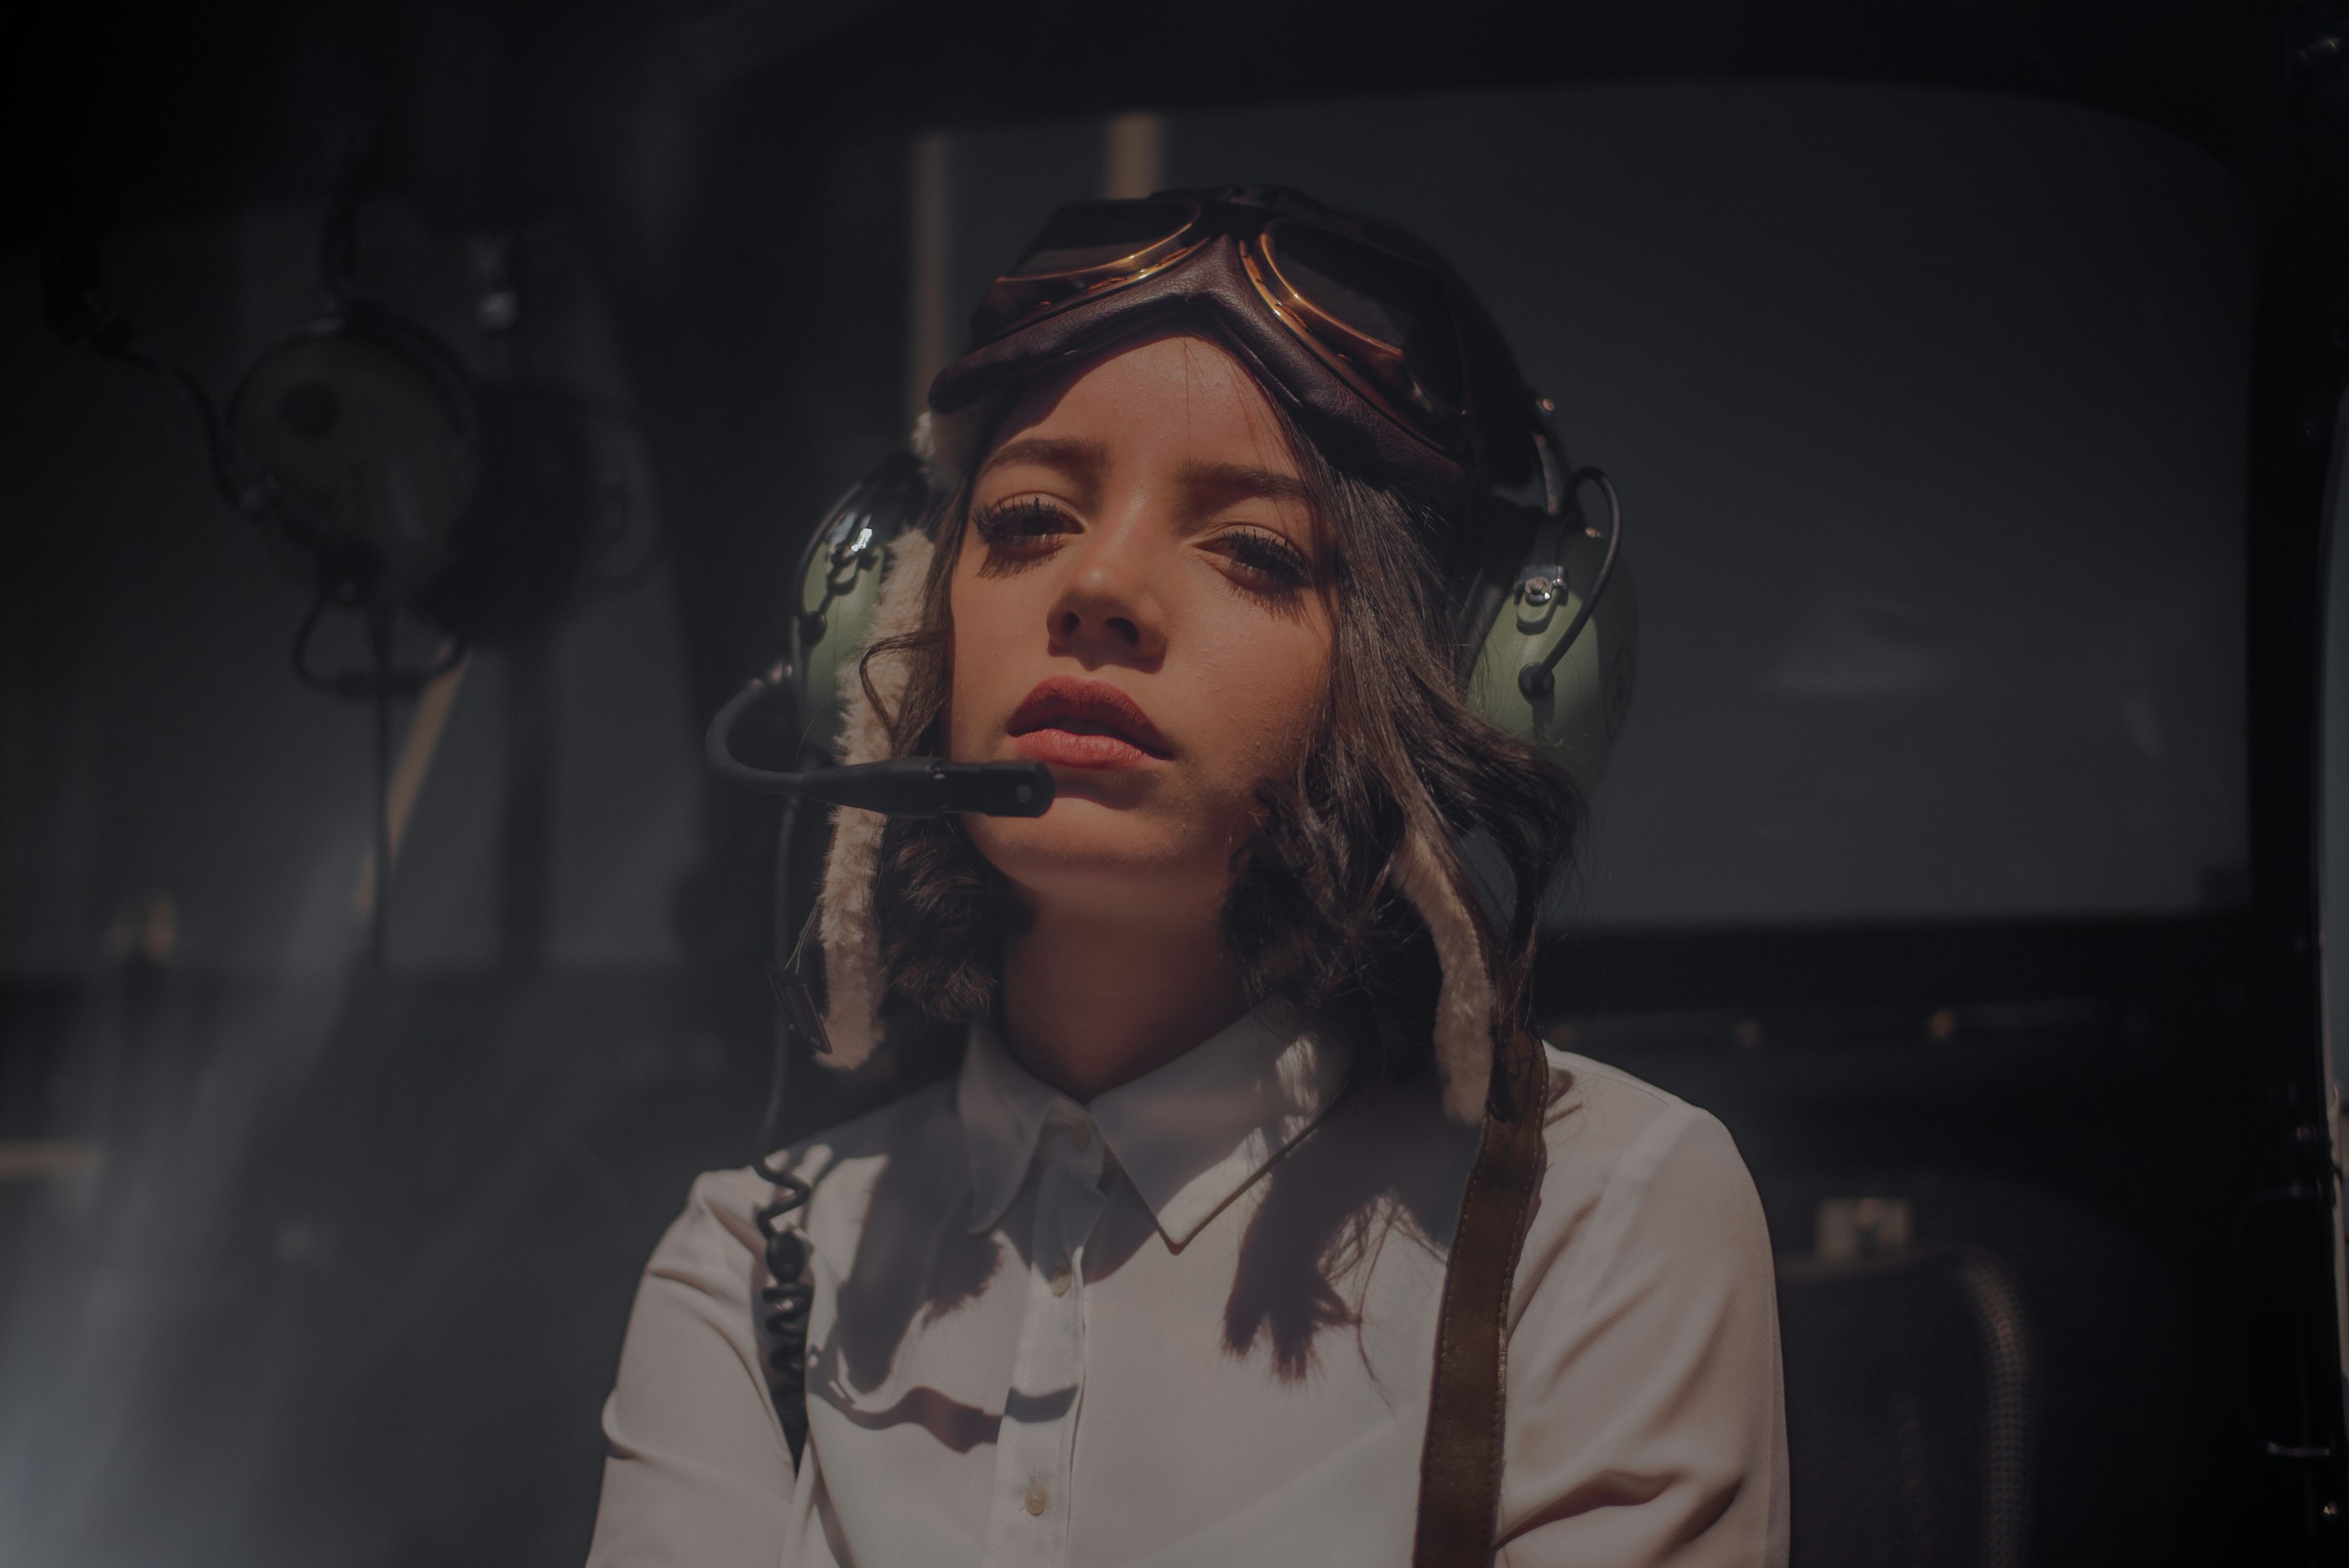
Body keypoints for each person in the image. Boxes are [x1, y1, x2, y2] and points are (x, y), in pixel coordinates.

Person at [586, 186, 1787, 1566]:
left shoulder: (1601, 1216)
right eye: (1026, 521)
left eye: (1256, 549)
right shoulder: (753, 1266)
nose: (1098, 585)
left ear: (1454, 676)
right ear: (902, 624)